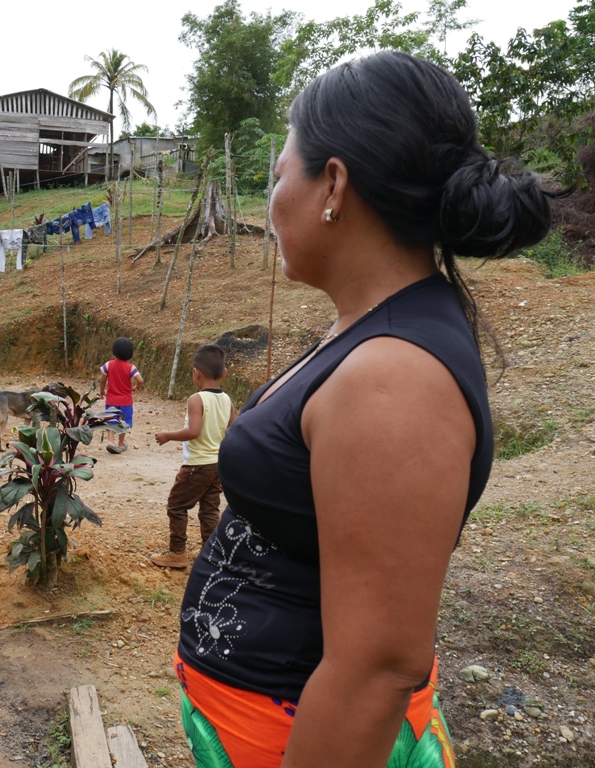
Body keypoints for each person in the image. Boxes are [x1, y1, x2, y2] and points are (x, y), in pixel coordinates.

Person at [173, 51, 553, 768]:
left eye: (278, 174)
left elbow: (376, 668)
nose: (271, 199)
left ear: (334, 185)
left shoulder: (394, 378)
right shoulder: (369, 331)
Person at [152, 344, 236, 569]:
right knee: (209, 510)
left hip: (197, 465)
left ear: (196, 373)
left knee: (176, 505)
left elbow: (194, 431)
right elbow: (233, 429)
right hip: (217, 465)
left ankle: (177, 553)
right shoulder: (227, 400)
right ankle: (211, 554)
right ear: (224, 374)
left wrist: (168, 435)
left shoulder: (196, 399)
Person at [99, 337, 143, 454]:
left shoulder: (108, 365)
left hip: (111, 400)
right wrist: (137, 387)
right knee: (124, 422)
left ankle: (110, 442)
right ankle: (120, 444)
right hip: (126, 401)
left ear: (114, 351)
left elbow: (102, 381)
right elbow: (140, 380)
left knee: (111, 420)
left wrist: (102, 392)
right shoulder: (131, 367)